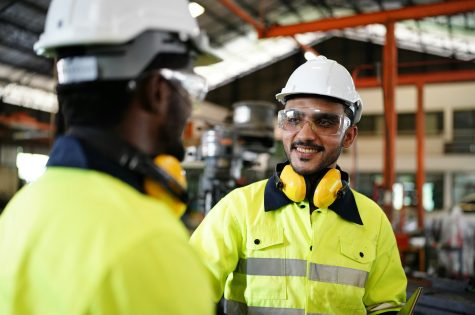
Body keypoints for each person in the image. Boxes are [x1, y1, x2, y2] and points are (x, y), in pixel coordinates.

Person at [0, 0, 219, 314]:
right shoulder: (151, 243)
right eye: (190, 92)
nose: (189, 110)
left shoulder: (21, 211)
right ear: (158, 91)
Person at [190, 55, 407, 315]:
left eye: (325, 122)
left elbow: (386, 307)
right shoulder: (238, 209)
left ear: (348, 135)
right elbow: (184, 293)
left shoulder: (372, 220)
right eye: (293, 119)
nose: (304, 134)